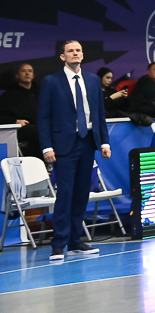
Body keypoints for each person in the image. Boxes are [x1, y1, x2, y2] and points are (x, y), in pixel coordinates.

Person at [37, 41, 110, 261]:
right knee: (65, 194)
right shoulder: (51, 81)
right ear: (63, 57)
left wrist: (104, 143)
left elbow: (99, 113)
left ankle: (76, 241)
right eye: (70, 51)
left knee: (81, 194)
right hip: (63, 145)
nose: (75, 53)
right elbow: (44, 117)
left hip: (87, 142)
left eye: (78, 50)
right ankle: (58, 244)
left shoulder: (93, 80)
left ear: (83, 55)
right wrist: (47, 146)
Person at [0, 63, 41, 156]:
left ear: (33, 75)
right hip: (23, 130)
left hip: (42, 126)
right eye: (23, 71)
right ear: (17, 76)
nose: (27, 73)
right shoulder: (8, 96)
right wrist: (16, 121)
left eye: (30, 71)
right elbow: (1, 116)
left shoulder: (41, 92)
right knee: (34, 131)